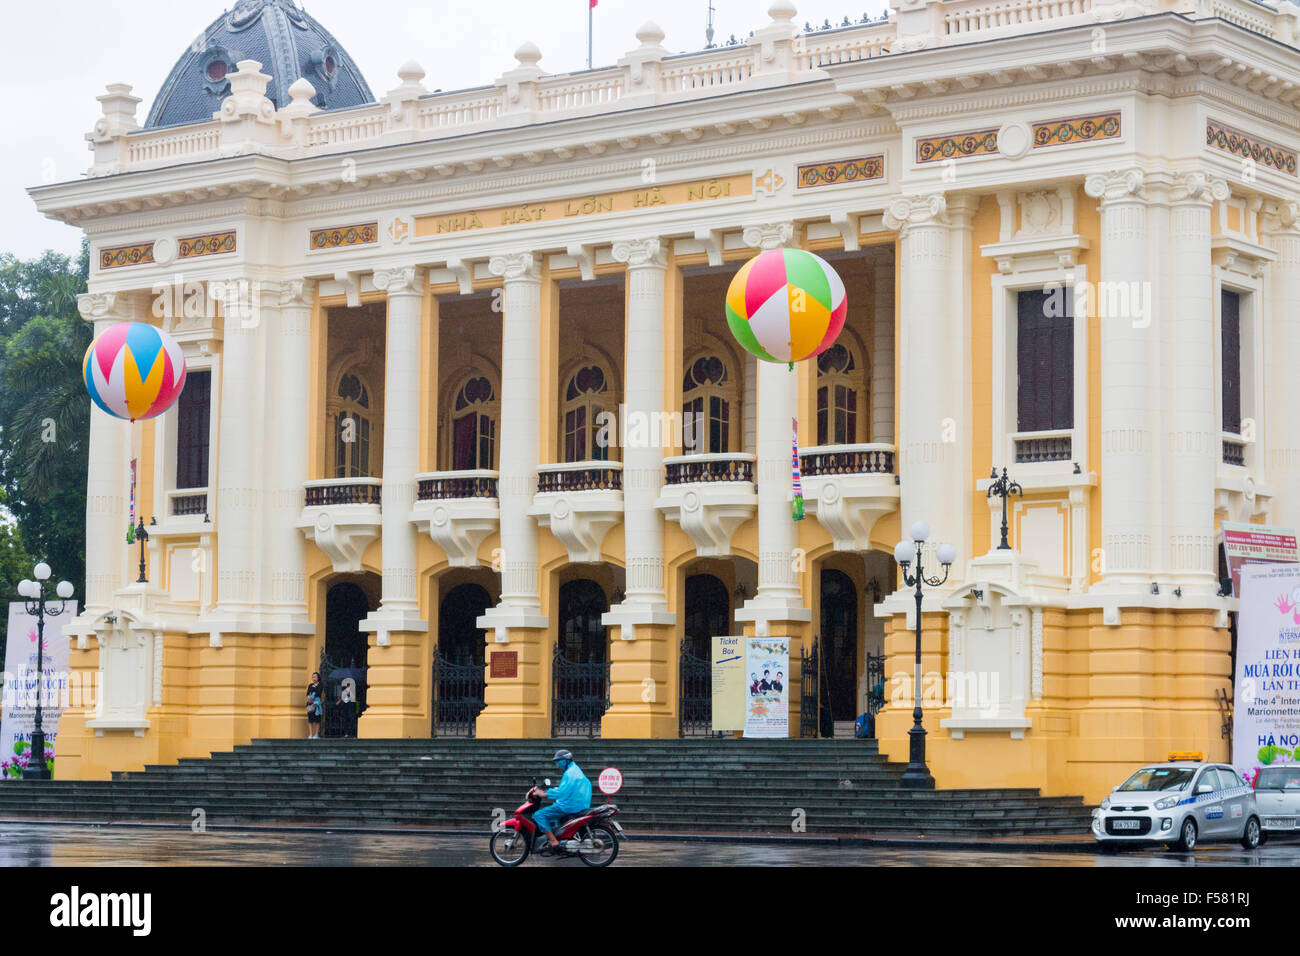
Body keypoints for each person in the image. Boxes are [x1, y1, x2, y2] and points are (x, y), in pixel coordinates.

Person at [532, 749, 591, 853]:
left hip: (570, 806)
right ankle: (557, 835)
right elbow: (565, 790)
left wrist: (544, 794)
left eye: (558, 763)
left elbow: (561, 792)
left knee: (539, 815)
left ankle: (553, 841)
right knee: (554, 808)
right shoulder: (575, 769)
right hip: (580, 803)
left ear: (565, 761)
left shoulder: (570, 774)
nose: (557, 766)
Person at [306, 672, 323, 739]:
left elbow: (318, 693)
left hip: (316, 703)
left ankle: (316, 734)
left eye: (315, 677)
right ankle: (310, 734)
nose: (313, 678)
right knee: (310, 719)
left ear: (318, 677)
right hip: (310, 703)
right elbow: (308, 693)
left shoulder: (320, 685)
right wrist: (308, 699)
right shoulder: (310, 685)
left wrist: (313, 696)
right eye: (312, 677)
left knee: (317, 719)